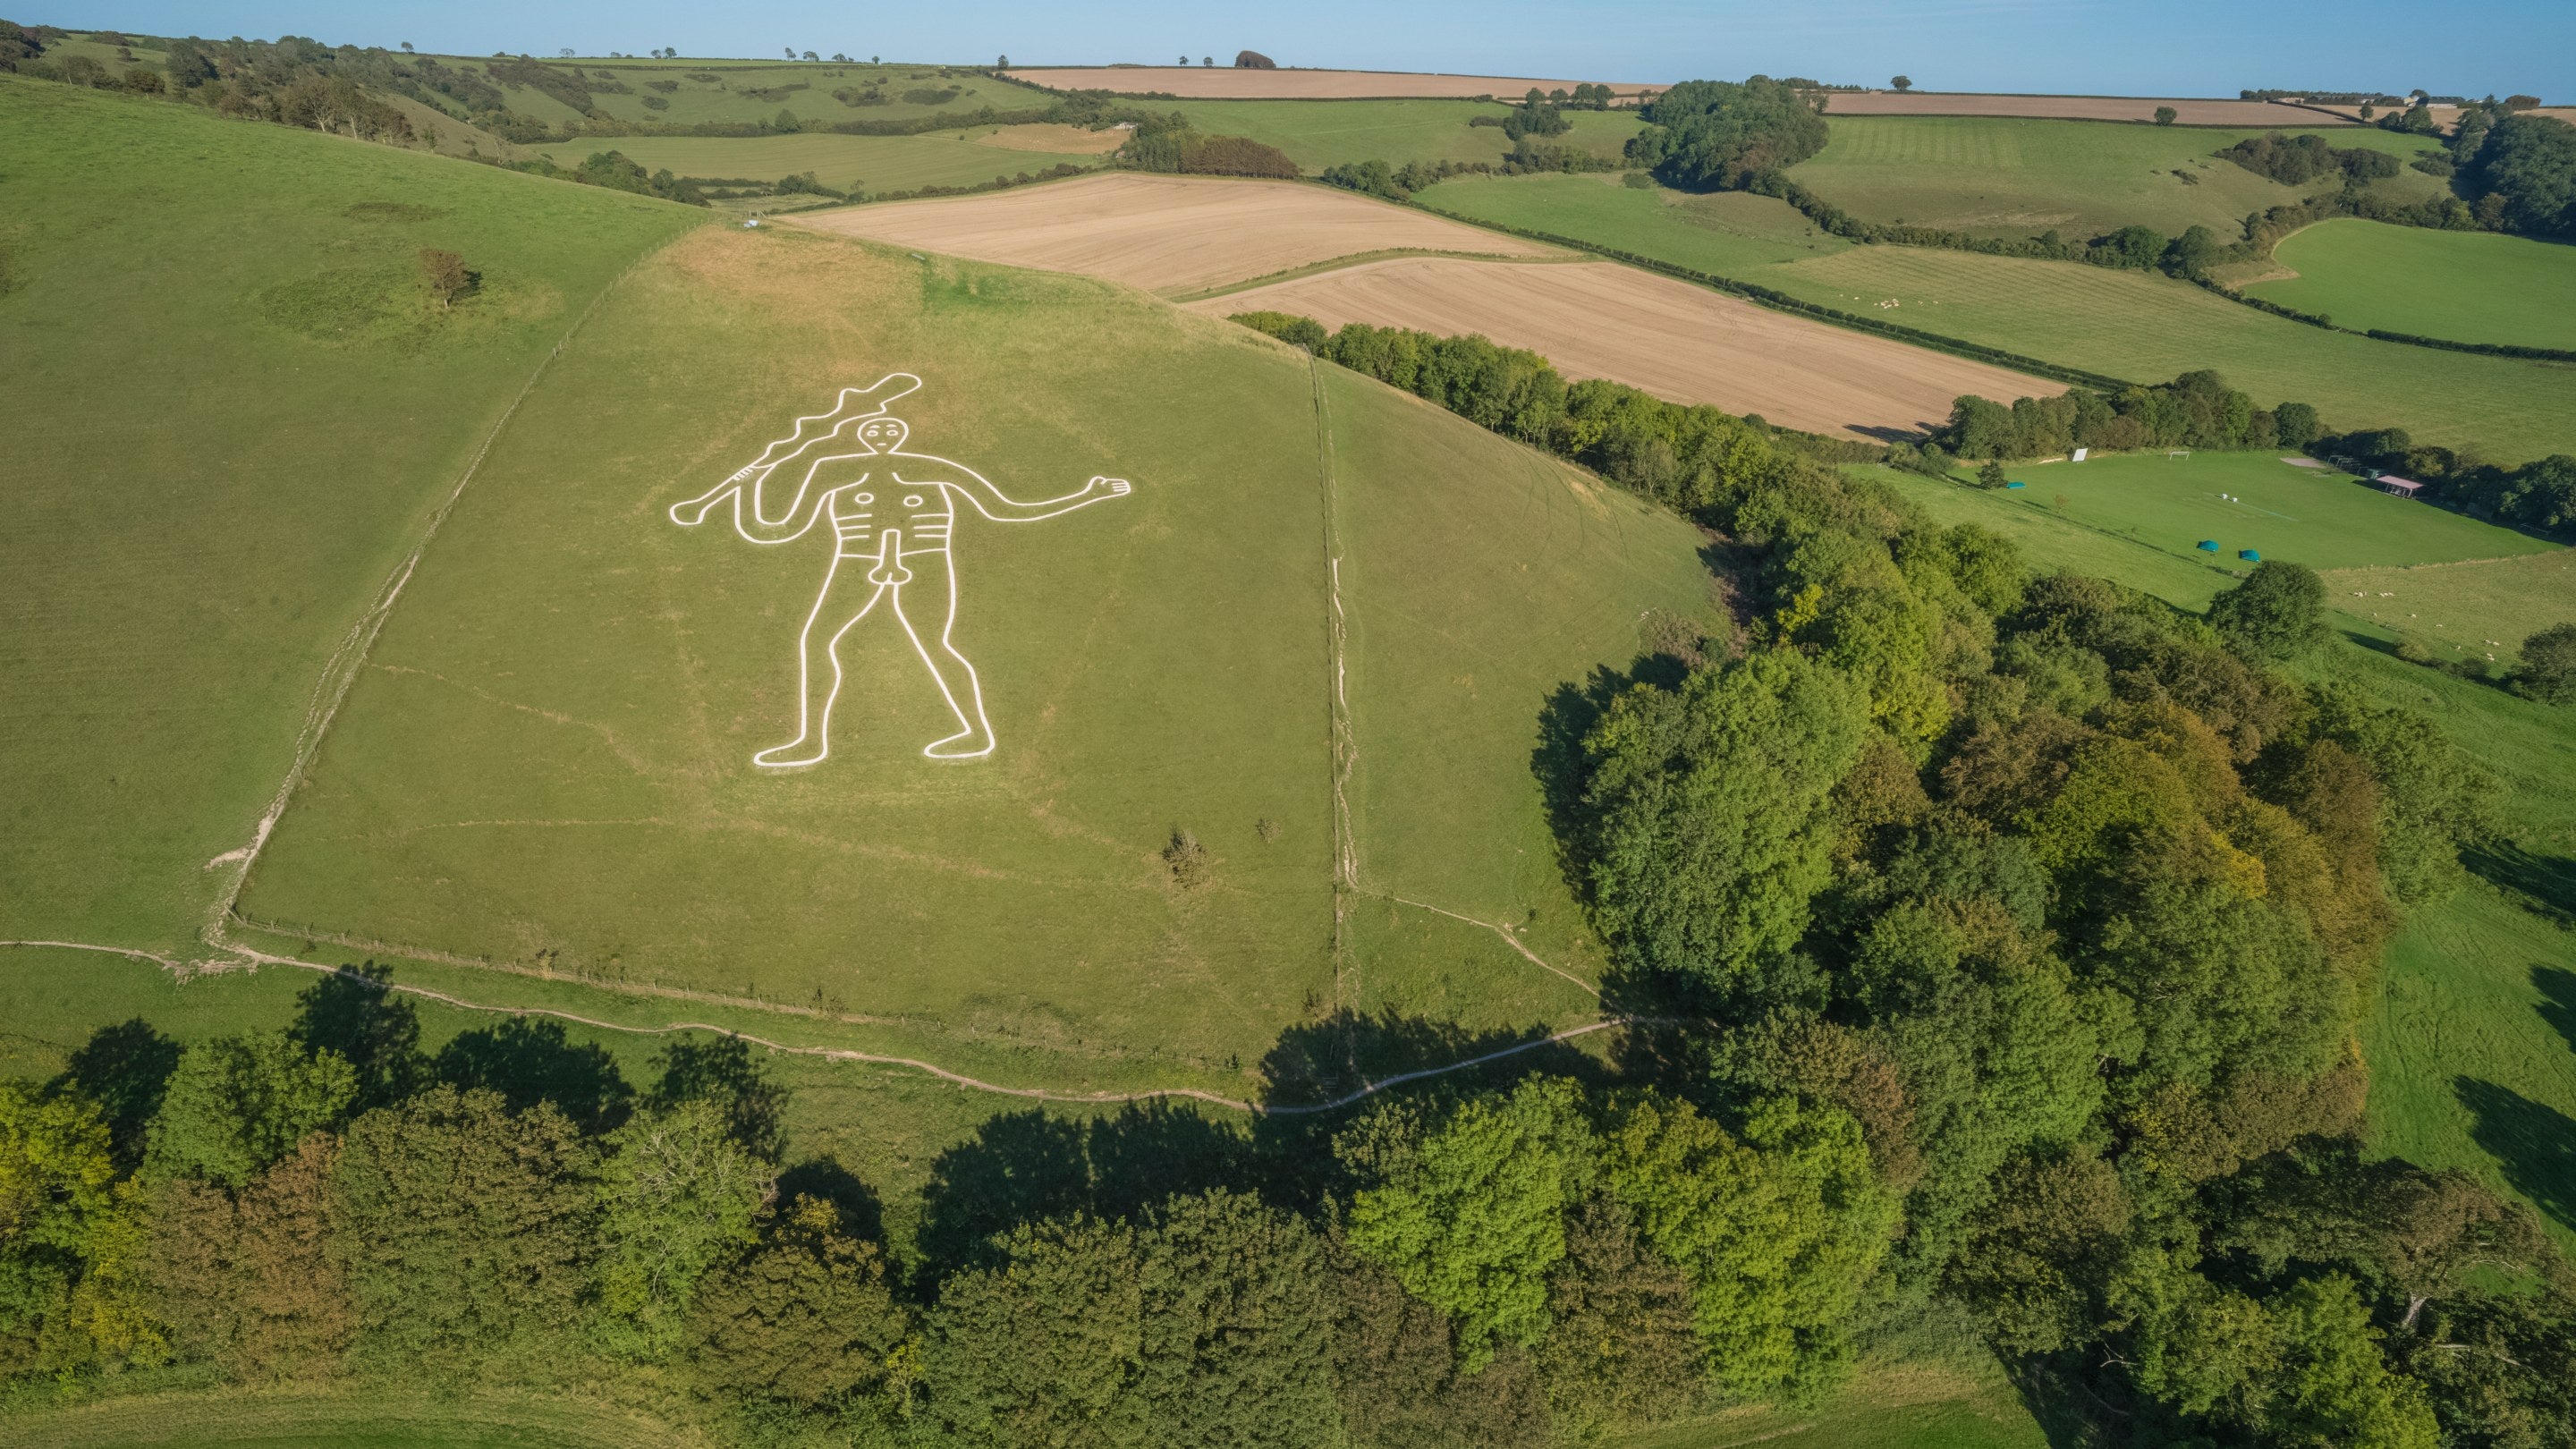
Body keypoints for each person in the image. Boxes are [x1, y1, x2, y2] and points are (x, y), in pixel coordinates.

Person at [668, 374, 1131, 765]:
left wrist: (1088, 495)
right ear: (863, 434)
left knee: (933, 643)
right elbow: (774, 530)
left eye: (890, 428)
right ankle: (810, 741)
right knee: (817, 639)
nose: (883, 434)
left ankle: (975, 733)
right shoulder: (833, 470)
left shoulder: (928, 468)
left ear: (901, 433)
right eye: (876, 428)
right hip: (856, 561)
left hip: (924, 561)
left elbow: (1004, 509)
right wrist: (750, 487)